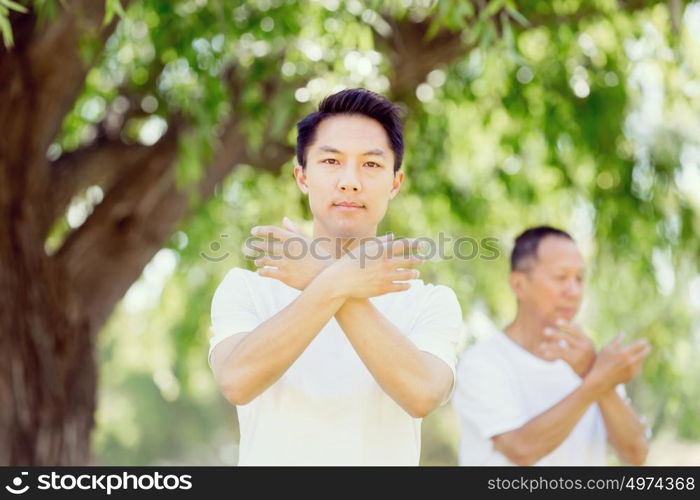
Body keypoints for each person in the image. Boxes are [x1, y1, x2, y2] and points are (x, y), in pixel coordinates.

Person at [208, 88, 463, 465]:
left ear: (395, 182)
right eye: (330, 161)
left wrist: (320, 275)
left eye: (371, 165)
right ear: (302, 177)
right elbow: (237, 380)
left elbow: (423, 393)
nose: (350, 181)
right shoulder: (247, 288)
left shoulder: (429, 302)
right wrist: (337, 280)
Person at [453, 226, 650, 465]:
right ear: (519, 285)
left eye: (579, 278)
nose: (574, 291)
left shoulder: (592, 363)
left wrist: (597, 378)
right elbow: (521, 450)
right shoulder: (483, 362)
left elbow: (636, 454)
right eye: (561, 277)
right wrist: (595, 382)